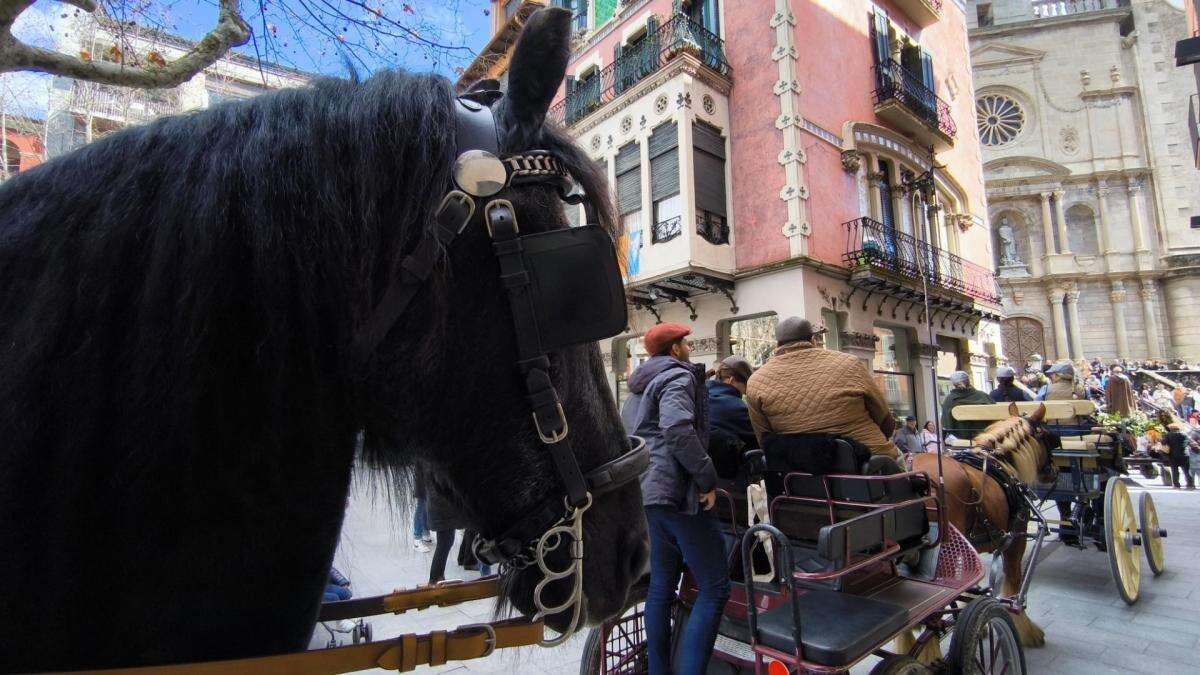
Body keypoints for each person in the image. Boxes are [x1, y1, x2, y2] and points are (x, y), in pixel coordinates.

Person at [620, 322, 728, 675]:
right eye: (686, 342)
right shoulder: (677, 377)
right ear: (675, 348)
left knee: (662, 585)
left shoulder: (638, 387)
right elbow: (677, 428)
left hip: (646, 493)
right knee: (714, 587)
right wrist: (706, 476)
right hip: (675, 493)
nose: (690, 346)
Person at [745, 317, 900, 467]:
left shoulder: (756, 380)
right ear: (813, 340)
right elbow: (885, 419)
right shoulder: (849, 363)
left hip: (801, 474)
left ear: (777, 345)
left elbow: (764, 437)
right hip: (870, 461)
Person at [706, 355, 759, 478]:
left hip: (702, 476)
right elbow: (758, 439)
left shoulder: (699, 398)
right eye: (744, 387)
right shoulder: (736, 407)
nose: (744, 394)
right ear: (731, 380)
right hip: (730, 478)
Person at [941, 371, 994, 439]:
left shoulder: (950, 400)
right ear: (969, 381)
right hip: (985, 437)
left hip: (961, 439)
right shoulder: (983, 396)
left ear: (954, 384)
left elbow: (947, 425)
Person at [1162, 423, 1195, 489]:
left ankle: (1176, 485)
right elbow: (1189, 442)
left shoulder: (1169, 435)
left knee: (1175, 470)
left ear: (1171, 428)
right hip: (1185, 454)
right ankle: (1190, 485)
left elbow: (1163, 443)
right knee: (1187, 470)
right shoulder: (1185, 434)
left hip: (1173, 455)